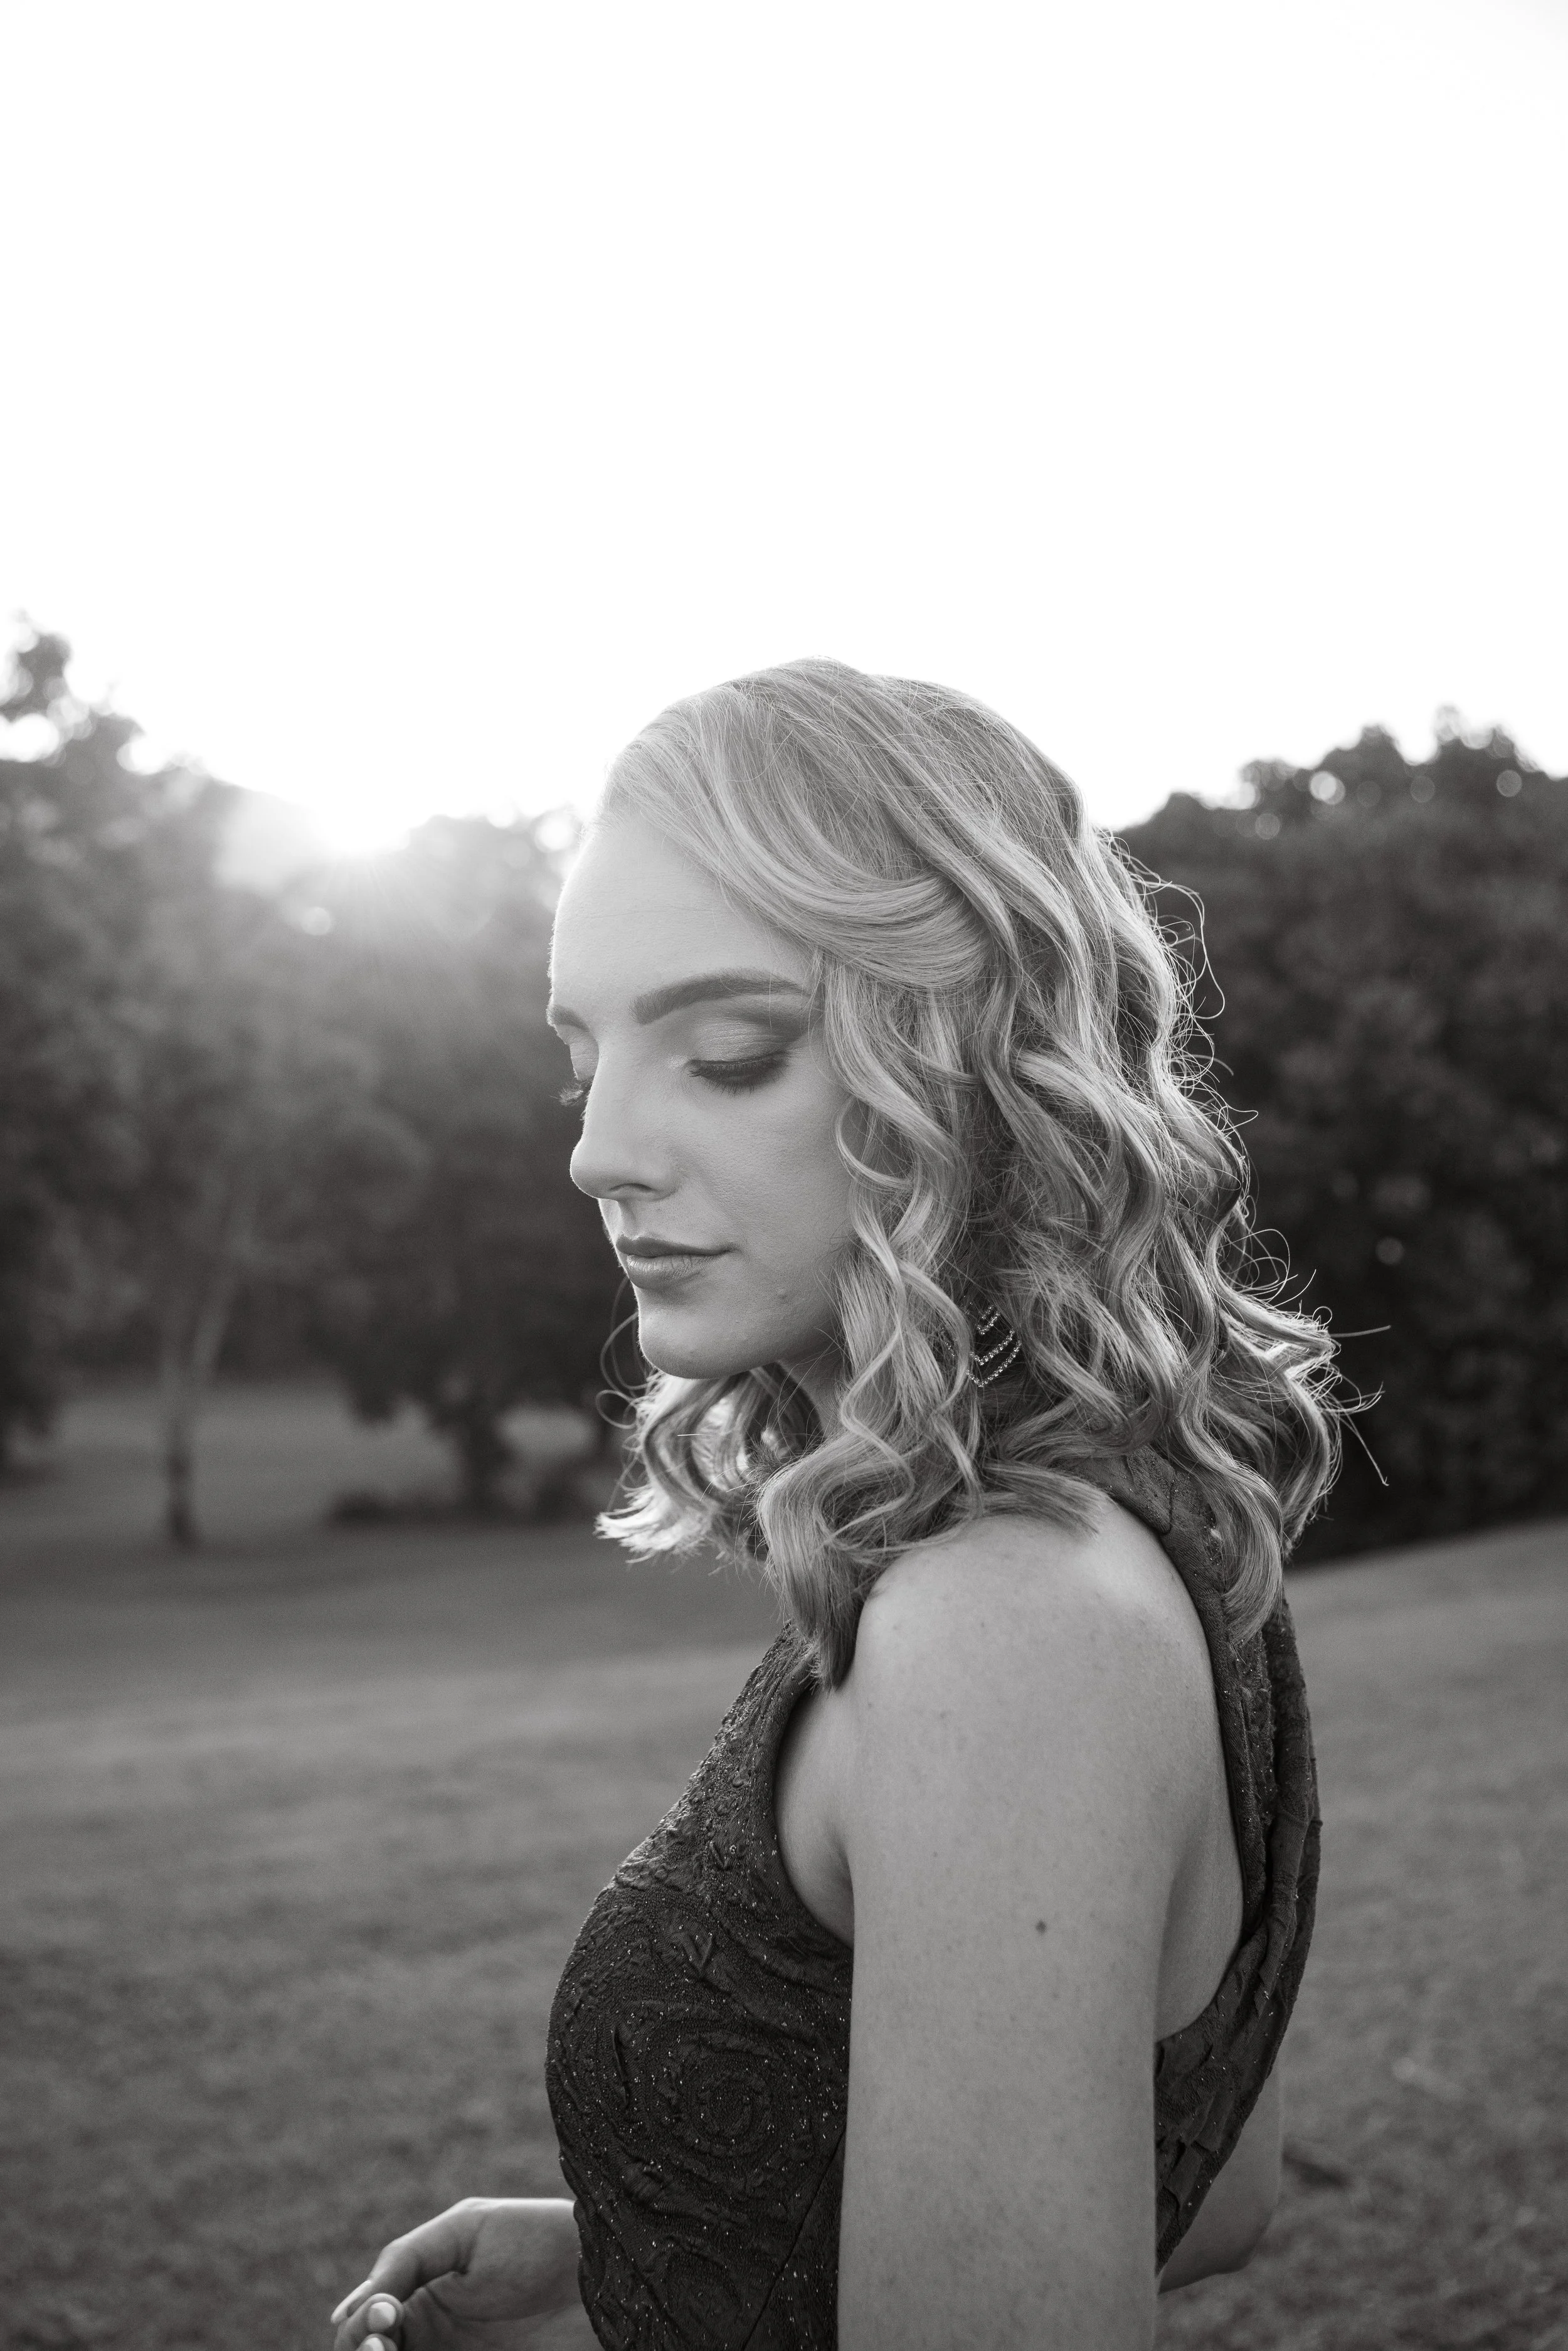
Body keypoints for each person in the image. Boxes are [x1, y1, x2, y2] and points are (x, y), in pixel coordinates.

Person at [331, 661, 1336, 2351]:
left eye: (725, 1052)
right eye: (583, 1050)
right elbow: (1198, 2185)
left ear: (976, 1067)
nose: (595, 1149)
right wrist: (645, 2247)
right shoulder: (1134, 1519)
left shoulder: (1001, 1623)